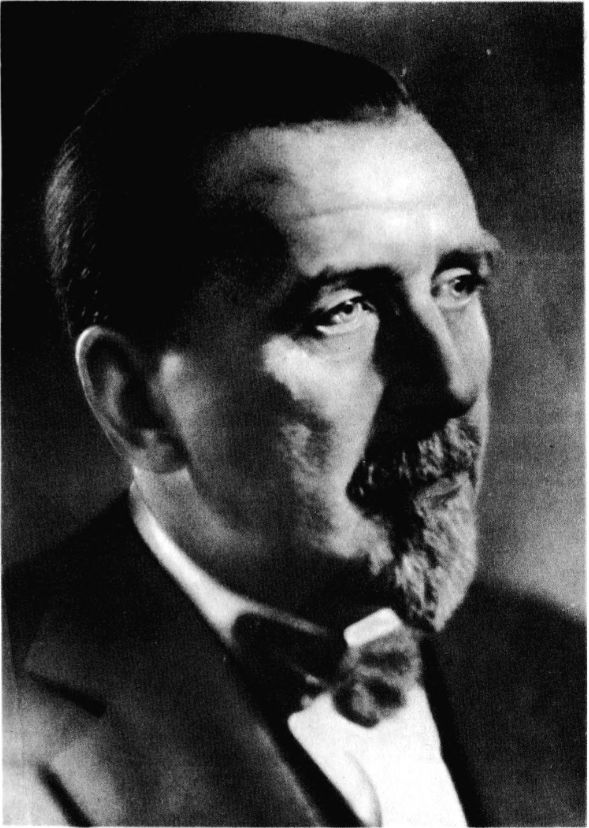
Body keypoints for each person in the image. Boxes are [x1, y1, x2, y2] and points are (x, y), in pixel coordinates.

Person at [3, 32, 584, 826]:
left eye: (456, 282)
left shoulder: (563, 668)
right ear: (136, 400)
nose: (451, 383)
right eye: (341, 310)